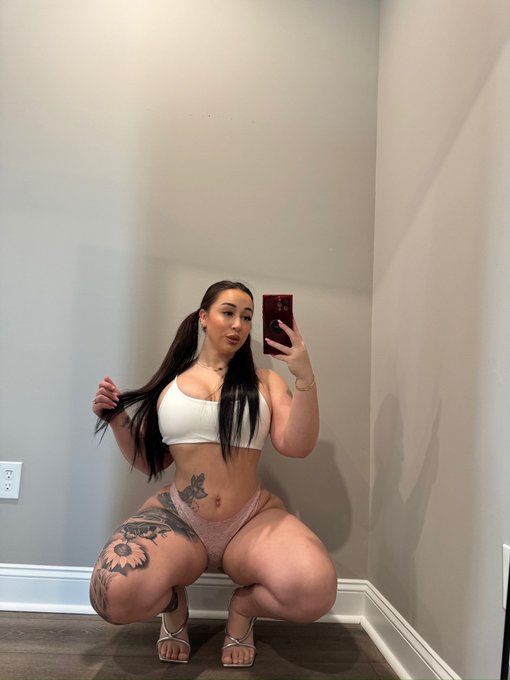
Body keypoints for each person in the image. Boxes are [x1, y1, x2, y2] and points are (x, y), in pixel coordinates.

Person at [90, 280, 337, 667]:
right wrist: (117, 418)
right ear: (204, 317)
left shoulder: (265, 382)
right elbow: (152, 463)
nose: (238, 324)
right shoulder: (170, 384)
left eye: (247, 317)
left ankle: (243, 609)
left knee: (315, 591)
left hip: (251, 520)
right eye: (228, 312)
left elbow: (297, 445)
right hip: (178, 518)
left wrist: (305, 377)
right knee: (111, 596)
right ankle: (174, 604)